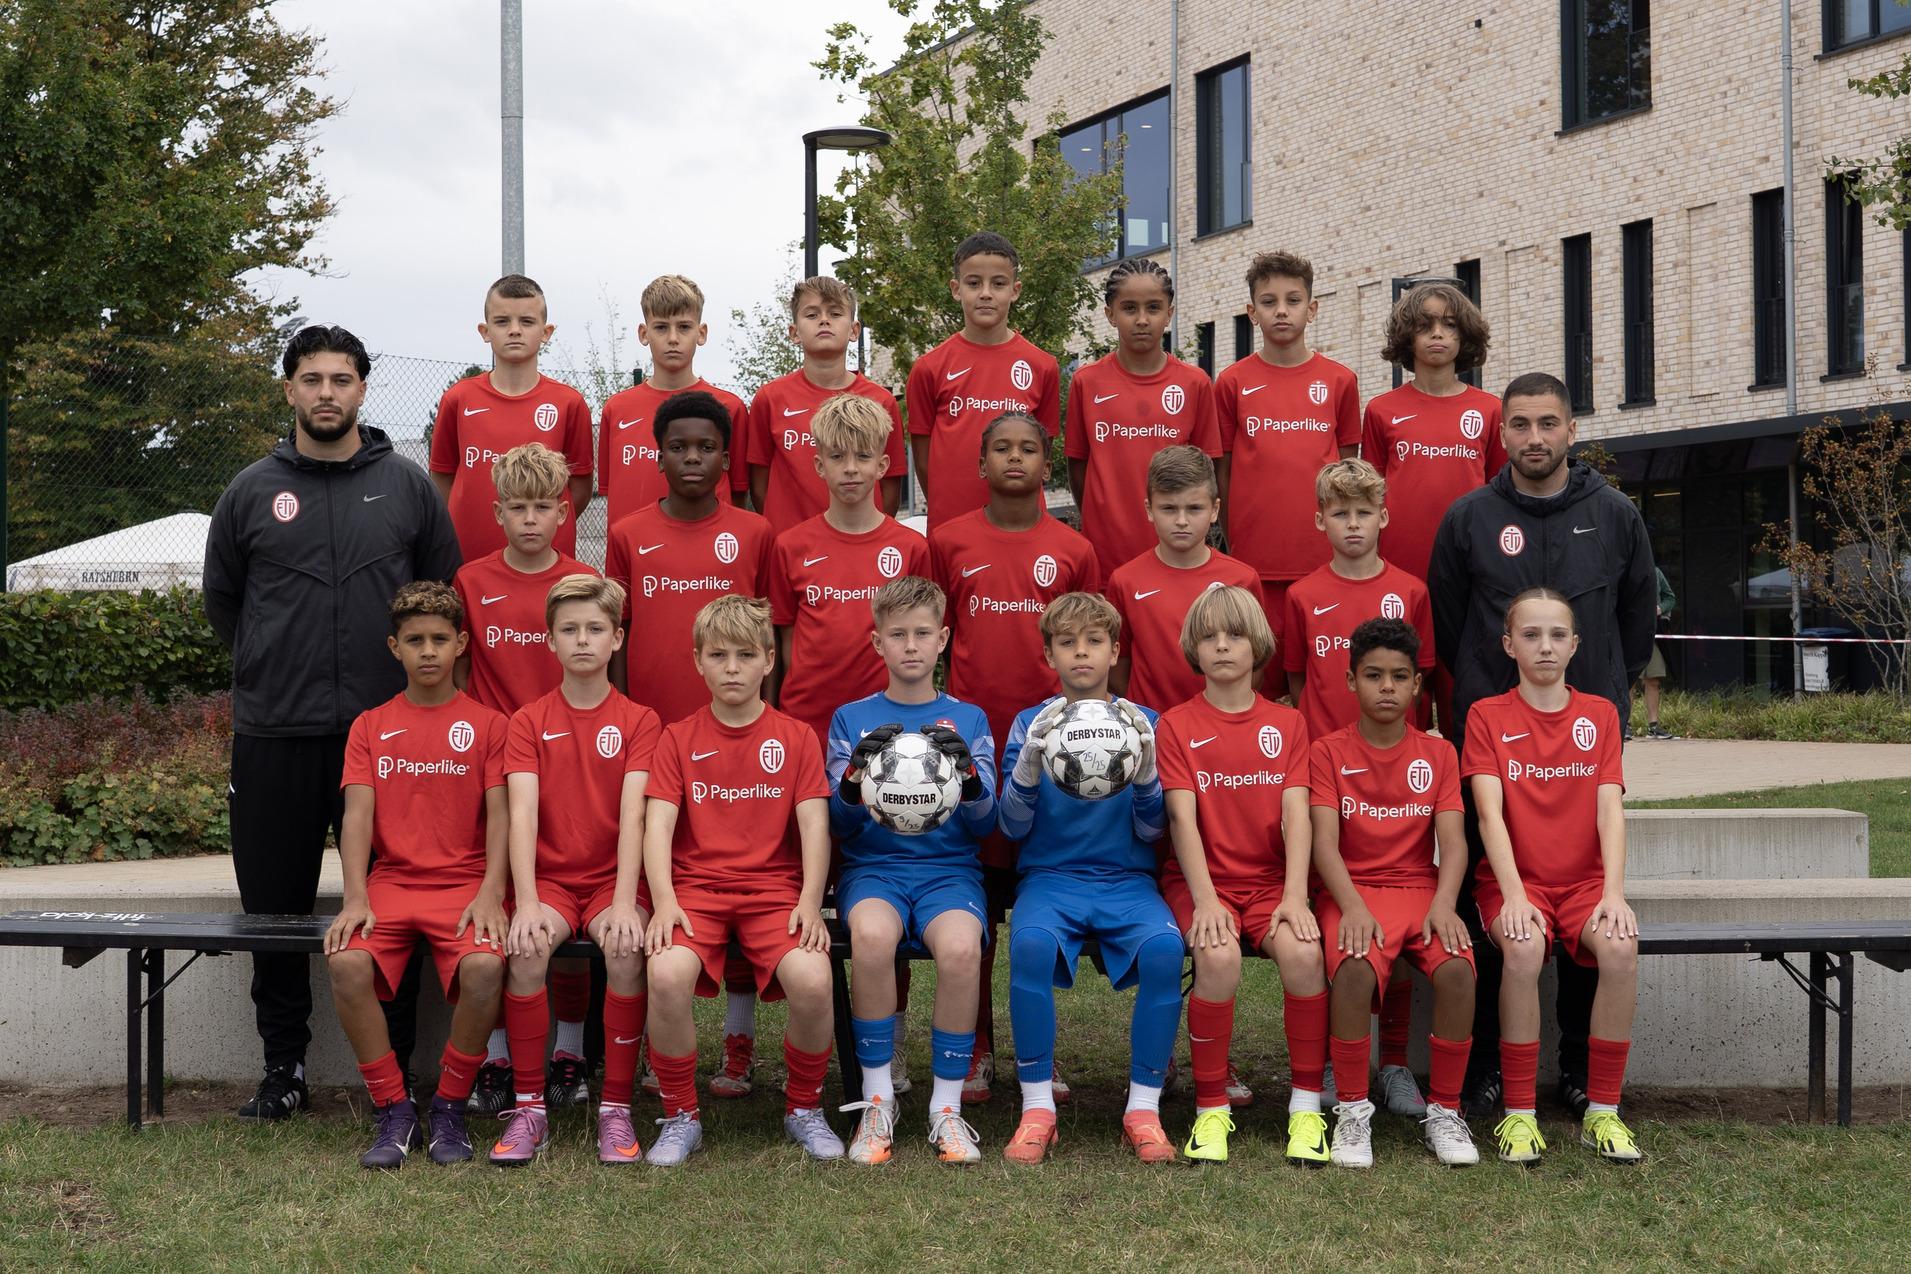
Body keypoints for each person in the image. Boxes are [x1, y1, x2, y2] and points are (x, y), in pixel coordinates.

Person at [204, 323, 461, 1119]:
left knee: (395, 908)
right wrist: (275, 661)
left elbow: (441, 597)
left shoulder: (408, 487)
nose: (325, 393)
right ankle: (283, 1067)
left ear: (361, 390)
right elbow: (226, 604)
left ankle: (395, 1073)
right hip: (275, 733)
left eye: (340, 379)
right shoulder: (249, 491)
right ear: (289, 389)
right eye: (311, 379)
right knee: (274, 909)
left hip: (389, 742)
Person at [1426, 370, 1655, 1119]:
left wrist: (1604, 686)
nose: (1534, 438)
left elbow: (1636, 619)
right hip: (1492, 741)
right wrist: (1479, 688)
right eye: (1520, 424)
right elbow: (1449, 620)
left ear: (1571, 430)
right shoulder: (1469, 517)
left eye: (1548, 423)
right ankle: (1489, 1064)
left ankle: (1581, 1068)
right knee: (1494, 897)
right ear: (1500, 432)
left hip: (1583, 736)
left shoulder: (1615, 514)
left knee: (1587, 892)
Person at [604, 388, 779, 1097]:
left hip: (736, 740)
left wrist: (765, 718)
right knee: (662, 888)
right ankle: (657, 1045)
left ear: (727, 457)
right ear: (658, 455)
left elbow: (769, 638)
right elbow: (618, 639)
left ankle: (739, 1041)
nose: (693, 458)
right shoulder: (628, 533)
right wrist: (625, 723)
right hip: (656, 741)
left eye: (706, 447)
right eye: (678, 446)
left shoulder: (755, 533)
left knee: (739, 879)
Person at [929, 409, 1100, 1104]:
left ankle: (1039, 1050)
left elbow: (1086, 644)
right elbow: (931, 635)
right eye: (1000, 448)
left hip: (1048, 749)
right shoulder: (948, 541)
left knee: (1037, 908)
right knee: (977, 908)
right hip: (971, 744)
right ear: (981, 463)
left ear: (1046, 464)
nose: (1014, 458)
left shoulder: (1072, 549)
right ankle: (974, 1047)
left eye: (1028, 448)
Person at [641, 596, 842, 1166]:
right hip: (696, 893)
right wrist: (663, 902)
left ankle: (804, 1107)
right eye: (718, 655)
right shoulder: (677, 737)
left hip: (774, 893)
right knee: (665, 974)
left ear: (769, 660)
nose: (732, 668)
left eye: (746, 655)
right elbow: (658, 825)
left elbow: (815, 825)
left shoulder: (796, 737)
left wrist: (810, 901)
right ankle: (681, 1115)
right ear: (698, 661)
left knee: (813, 979)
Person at [324, 582, 509, 1168]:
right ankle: (394, 1108)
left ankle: (450, 1106)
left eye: (439, 639)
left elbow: (502, 818)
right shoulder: (370, 725)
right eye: (414, 640)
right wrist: (355, 897)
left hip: (464, 884)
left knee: (485, 968)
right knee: (346, 961)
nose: (428, 651)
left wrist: (492, 892)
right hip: (393, 883)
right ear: (394, 647)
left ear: (461, 644)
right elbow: (356, 818)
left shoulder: (489, 725)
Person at [997, 593, 1181, 1164]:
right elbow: (1010, 826)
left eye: (1094, 641)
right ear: (1049, 654)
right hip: (1050, 879)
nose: (1081, 653)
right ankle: (1037, 1109)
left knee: (1165, 951)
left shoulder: (1143, 723)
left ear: (1115, 651)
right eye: (1067, 642)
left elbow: (1154, 831)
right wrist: (1027, 770)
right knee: (1029, 945)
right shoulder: (1032, 723)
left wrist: (1147, 777)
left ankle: (1143, 1109)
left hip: (1127, 880)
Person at [1462, 589, 1641, 1164]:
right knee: (1521, 948)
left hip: (1585, 883)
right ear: (1508, 645)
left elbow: (1609, 809)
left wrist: (1614, 893)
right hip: (1516, 882)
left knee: (1620, 946)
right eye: (1531, 635)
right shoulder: (1486, 715)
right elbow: (1488, 815)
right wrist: (1514, 895)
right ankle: (1519, 1116)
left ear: (1575, 645)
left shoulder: (1601, 714)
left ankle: (1604, 1112)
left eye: (1557, 634)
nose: (1545, 646)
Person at [1155, 586, 1328, 1166]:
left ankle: (1305, 1109)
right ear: (1193, 648)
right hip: (1201, 882)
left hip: (1272, 884)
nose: (1223, 646)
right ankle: (1211, 1109)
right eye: (1209, 637)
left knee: (1304, 955)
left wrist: (1296, 896)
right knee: (1219, 956)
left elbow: (1297, 815)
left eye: (1234, 635)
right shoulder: (1176, 724)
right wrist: (1205, 901)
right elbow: (1181, 818)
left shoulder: (1288, 722)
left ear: (1258, 645)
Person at [491, 575, 660, 1166]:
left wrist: (624, 902)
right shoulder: (527, 720)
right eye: (569, 630)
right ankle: (529, 1109)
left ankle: (615, 1108)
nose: (582, 640)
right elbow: (522, 815)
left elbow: (635, 817)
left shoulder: (640, 720)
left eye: (595, 629)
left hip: (617, 880)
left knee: (625, 948)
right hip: (551, 882)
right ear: (550, 641)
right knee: (527, 948)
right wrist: (526, 902)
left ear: (617, 638)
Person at [450, 442, 597, 1115]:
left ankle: (569, 1052)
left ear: (564, 512)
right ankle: (497, 1059)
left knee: (560, 913)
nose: (531, 519)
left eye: (543, 506)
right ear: (498, 513)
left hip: (568, 766)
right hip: (493, 772)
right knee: (497, 908)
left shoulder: (581, 580)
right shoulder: (471, 581)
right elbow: (461, 679)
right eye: (518, 507)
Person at [829, 576, 997, 1164]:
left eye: (922, 634)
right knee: (873, 940)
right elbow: (839, 824)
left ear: (943, 639)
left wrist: (969, 779)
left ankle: (945, 1109)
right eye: (897, 635)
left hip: (949, 872)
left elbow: (986, 824)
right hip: (873, 870)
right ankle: (877, 1103)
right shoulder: (852, 718)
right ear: (877, 643)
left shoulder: (968, 719)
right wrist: (853, 778)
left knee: (961, 949)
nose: (910, 646)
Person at [1284, 458, 1434, 1105]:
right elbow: (1297, 685)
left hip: (1398, 787)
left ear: (1383, 517)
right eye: (1339, 513)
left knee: (1394, 921)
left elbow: (1422, 684)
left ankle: (1393, 1062)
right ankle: (1327, 1059)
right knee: (1334, 926)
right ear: (1320, 520)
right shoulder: (1301, 595)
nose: (1352, 524)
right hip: (1328, 782)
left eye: (1363, 513)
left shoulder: (1410, 592)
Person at [1308, 618, 1478, 1169]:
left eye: (1400, 677)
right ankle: (1353, 1111)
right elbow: (1324, 845)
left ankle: (1445, 1111)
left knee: (1459, 968)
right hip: (1351, 889)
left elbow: (1454, 844)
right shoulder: (1327, 752)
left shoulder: (1439, 754)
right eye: (1373, 675)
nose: (1387, 687)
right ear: (1350, 680)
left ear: (1416, 685)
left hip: (1420, 889)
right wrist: (1352, 906)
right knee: (1355, 966)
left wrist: (1445, 904)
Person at [767, 393, 932, 747]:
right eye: (838, 456)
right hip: (807, 722)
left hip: (889, 724)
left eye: (863, 456)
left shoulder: (911, 548)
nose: (851, 468)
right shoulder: (790, 546)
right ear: (819, 465)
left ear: (883, 465)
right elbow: (786, 643)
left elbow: (921, 641)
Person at [1215, 250, 1360, 641]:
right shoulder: (1231, 383)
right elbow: (1222, 471)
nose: (1281, 311)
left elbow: (1347, 474)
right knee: (1258, 668)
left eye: (1293, 300)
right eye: (1269, 302)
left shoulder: (1340, 381)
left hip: (1324, 560)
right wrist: (1236, 538)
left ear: (1311, 309)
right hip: (1253, 562)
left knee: (1319, 667)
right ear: (1252, 312)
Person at [1064, 256, 1221, 576]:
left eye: (1153, 308)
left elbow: (1209, 472)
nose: (1142, 319)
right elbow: (1078, 468)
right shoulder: (1086, 382)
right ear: (1110, 314)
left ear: (1169, 314)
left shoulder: (1195, 383)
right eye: (1129, 308)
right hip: (1105, 559)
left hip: (1177, 558)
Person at [428, 274, 593, 561]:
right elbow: (442, 478)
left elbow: (579, 487)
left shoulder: (569, 403)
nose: (515, 331)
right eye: (502, 321)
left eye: (526, 322)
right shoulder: (458, 399)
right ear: (485, 331)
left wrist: (541, 524)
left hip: (547, 561)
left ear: (546, 332)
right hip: (470, 556)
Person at [906, 232, 1061, 530]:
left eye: (998, 284)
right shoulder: (929, 368)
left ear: (1015, 290)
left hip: (1023, 527)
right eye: (974, 283)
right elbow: (923, 461)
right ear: (956, 289)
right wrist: (947, 505)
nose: (986, 293)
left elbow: (1041, 450)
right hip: (951, 527)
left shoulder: (1043, 366)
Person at [746, 276, 905, 537]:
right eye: (812, 314)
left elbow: (890, 486)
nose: (824, 320)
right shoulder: (770, 398)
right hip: (790, 546)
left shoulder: (881, 401)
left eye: (835, 313)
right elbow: (759, 484)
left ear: (854, 330)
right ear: (794, 332)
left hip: (859, 544)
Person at [1108, 446, 1264, 712]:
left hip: (1219, 722)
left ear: (1214, 510)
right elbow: (1117, 664)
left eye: (1194, 508)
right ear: (1149, 509)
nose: (1181, 520)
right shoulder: (1125, 581)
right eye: (1169, 508)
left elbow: (1257, 664)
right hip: (1152, 724)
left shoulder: (1242, 579)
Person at [597, 275, 751, 524]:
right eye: (661, 327)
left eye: (684, 327)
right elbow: (609, 491)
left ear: (701, 333)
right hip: (634, 546)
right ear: (644, 333)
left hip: (706, 545)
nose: (672, 338)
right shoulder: (616, 409)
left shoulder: (729, 408)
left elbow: (738, 494)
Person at [1639, 567, 1678, 739]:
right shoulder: (1623, 570)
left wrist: (1660, 609)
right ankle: (1624, 726)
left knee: (1653, 679)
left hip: (1652, 633)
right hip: (1629, 632)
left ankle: (1653, 727)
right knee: (1628, 681)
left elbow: (1670, 598)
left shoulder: (1655, 572)